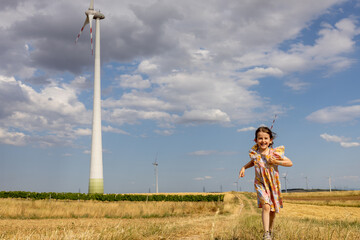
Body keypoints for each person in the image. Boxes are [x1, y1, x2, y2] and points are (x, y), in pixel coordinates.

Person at [239, 126, 293, 240]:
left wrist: (276, 161)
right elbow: (253, 162)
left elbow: (290, 163)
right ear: (256, 140)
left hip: (273, 185)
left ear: (270, 140)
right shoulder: (255, 153)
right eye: (260, 138)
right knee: (266, 207)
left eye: (265, 138)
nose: (263, 141)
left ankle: (270, 231)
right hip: (260, 184)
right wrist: (244, 167)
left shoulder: (274, 153)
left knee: (272, 211)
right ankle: (266, 233)